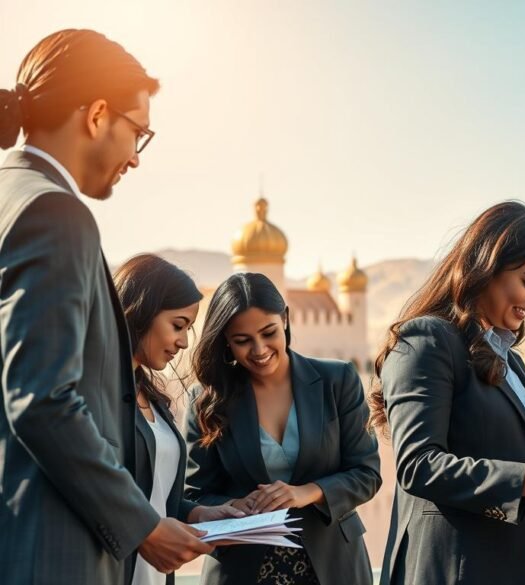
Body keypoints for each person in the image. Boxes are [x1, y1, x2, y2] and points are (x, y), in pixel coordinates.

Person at [0, 29, 211, 584]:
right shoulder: (54, 212)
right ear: (97, 114)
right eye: (137, 133)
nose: (135, 160)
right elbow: (42, 398)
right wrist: (142, 524)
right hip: (50, 554)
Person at [370, 201, 525, 585]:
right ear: (485, 268)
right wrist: (524, 482)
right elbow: (418, 464)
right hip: (460, 567)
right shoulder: (426, 340)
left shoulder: (512, 363)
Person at [186, 272, 381, 585]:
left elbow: (366, 474)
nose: (259, 349)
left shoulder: (338, 380)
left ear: (286, 319)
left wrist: (304, 493)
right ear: (226, 341)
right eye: (242, 341)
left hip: (333, 567)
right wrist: (236, 506)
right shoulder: (206, 400)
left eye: (268, 333)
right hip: (242, 571)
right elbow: (193, 495)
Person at [114, 254, 247, 585]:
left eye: (188, 329)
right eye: (177, 325)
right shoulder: (95, 395)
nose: (184, 341)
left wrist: (198, 513)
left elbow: (154, 492)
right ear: (141, 311)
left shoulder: (152, 397)